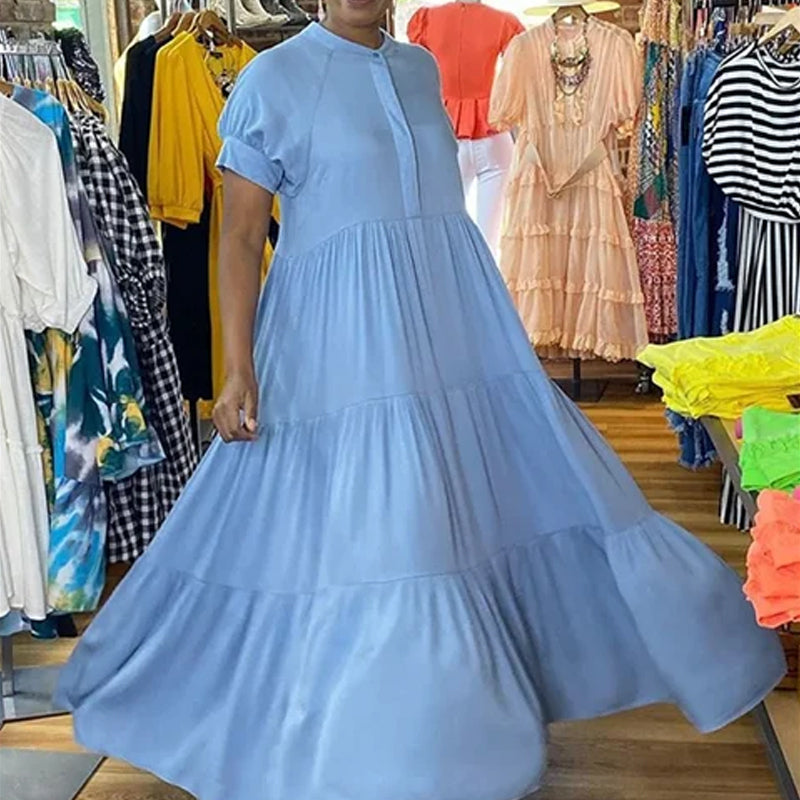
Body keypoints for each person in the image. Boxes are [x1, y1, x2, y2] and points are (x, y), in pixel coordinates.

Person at [57, 2, 785, 799]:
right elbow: (237, 236)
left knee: (475, 504)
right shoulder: (271, 79)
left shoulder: (418, 67)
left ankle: (461, 719)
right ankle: (390, 741)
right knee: (382, 521)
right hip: (335, 342)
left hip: (448, 325)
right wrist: (236, 367)